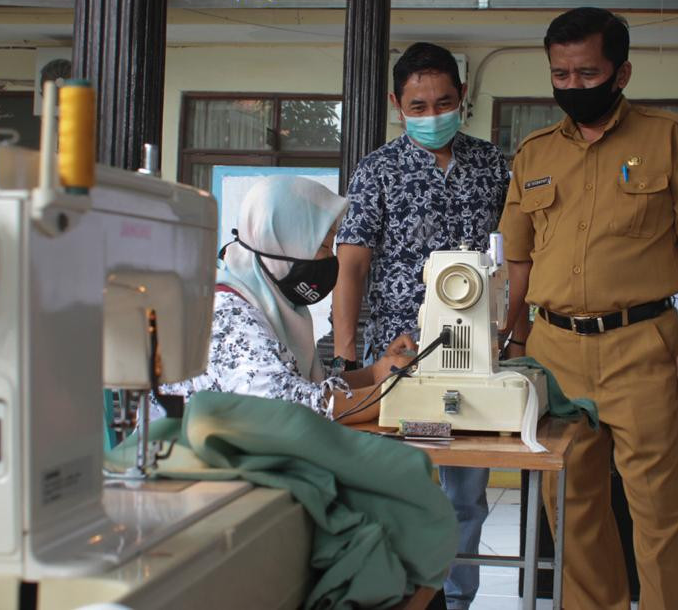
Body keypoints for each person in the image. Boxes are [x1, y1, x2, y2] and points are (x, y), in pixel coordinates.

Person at [498, 7, 678, 609]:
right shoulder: (533, 152)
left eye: (587, 73)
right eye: (561, 75)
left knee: (658, 514)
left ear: (621, 72)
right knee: (571, 510)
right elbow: (518, 263)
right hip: (553, 351)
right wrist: (512, 340)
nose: (573, 87)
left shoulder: (669, 139)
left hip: (643, 346)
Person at [332, 42, 510, 610]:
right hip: (400, 360)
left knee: (466, 494)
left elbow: (518, 257)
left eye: (444, 102)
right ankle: (403, 599)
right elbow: (352, 266)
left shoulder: (493, 165)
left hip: (476, 356)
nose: (433, 115)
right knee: (406, 487)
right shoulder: (378, 170)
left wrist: (516, 332)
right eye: (418, 105)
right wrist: (346, 361)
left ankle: (456, 601)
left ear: (463, 99)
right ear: (396, 103)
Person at [157, 175, 414, 424]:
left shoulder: (274, 304)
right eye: (323, 247)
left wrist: (376, 372)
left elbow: (309, 384)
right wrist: (386, 396)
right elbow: (280, 404)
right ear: (284, 242)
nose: (329, 259)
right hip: (181, 458)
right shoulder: (227, 310)